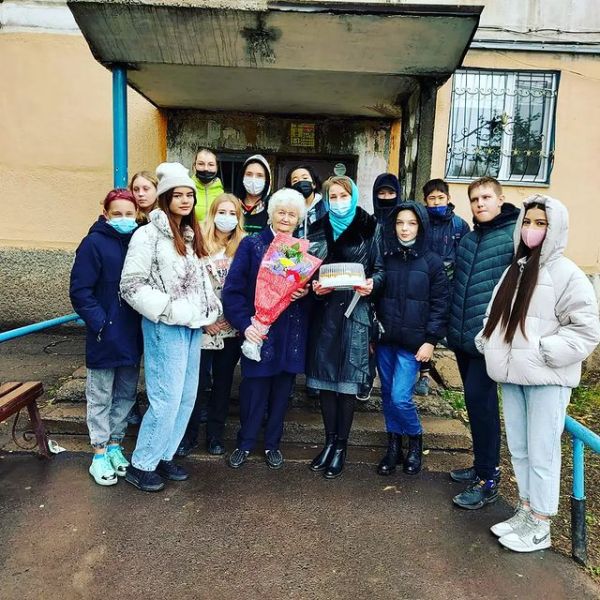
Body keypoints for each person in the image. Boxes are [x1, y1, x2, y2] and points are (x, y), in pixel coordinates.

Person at [477, 195, 600, 552]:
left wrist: (545, 352)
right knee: (520, 448)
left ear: (555, 228)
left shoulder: (568, 274)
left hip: (547, 378)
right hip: (513, 375)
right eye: (527, 222)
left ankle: (542, 523)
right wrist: (487, 340)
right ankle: (526, 509)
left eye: (540, 223)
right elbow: (492, 315)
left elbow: (586, 330)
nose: (531, 229)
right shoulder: (515, 269)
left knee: (543, 451)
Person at [120, 162, 221, 492]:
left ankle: (163, 454)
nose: (185, 200)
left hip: (191, 327)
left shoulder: (190, 237)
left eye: (189, 194)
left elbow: (199, 283)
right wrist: (168, 310)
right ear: (164, 198)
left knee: (186, 397)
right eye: (177, 195)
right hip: (165, 327)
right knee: (165, 398)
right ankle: (142, 463)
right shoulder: (147, 235)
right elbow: (131, 286)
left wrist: (208, 311)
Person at [222, 188, 310, 470]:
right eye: (281, 212)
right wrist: (245, 324)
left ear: (298, 219)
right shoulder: (252, 245)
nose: (286, 218)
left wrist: (305, 293)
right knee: (253, 392)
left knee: (282, 394)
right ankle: (245, 443)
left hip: (289, 333)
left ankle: (273, 444)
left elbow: (306, 293)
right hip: (259, 332)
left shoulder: (300, 249)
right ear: (271, 214)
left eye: (292, 214)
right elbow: (232, 291)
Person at [447, 176, 520, 509]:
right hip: (463, 338)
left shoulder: (513, 238)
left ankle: (489, 479)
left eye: (486, 197)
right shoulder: (469, 239)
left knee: (484, 407)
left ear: (500, 200)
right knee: (475, 406)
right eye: (475, 199)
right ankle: (480, 466)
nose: (480, 204)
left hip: (488, 341)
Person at [306, 176, 385, 479]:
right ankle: (328, 442)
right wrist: (315, 287)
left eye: (344, 195)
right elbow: (308, 269)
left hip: (355, 312)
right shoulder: (317, 227)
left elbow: (381, 270)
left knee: (348, 383)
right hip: (325, 314)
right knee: (326, 381)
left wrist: (372, 284)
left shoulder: (370, 226)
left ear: (353, 197)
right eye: (333, 196)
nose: (338, 201)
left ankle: (341, 446)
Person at [70, 189, 143, 486]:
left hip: (133, 332)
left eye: (129, 214)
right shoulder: (93, 243)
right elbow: (80, 291)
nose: (124, 219)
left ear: (137, 214)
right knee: (100, 395)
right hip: (105, 334)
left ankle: (115, 445)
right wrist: (101, 322)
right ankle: (98, 453)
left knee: (125, 394)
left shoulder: (139, 240)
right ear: (106, 214)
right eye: (117, 214)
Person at [375, 202, 449, 476]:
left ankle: (415, 440)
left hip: (413, 343)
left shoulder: (432, 262)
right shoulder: (387, 257)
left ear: (421, 226)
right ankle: (393, 445)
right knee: (387, 394)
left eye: (411, 223)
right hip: (385, 340)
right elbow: (376, 298)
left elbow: (440, 304)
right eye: (399, 223)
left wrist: (430, 340)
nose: (405, 229)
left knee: (400, 397)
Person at [177, 194, 245, 457]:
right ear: (213, 213)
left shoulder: (244, 245)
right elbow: (188, 285)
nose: (226, 218)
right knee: (196, 383)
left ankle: (215, 436)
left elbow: (248, 286)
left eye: (232, 213)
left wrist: (235, 317)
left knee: (223, 384)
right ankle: (189, 435)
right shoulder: (197, 243)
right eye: (222, 212)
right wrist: (205, 321)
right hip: (203, 326)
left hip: (231, 327)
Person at [414, 178, 470, 396]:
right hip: (422, 284)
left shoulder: (459, 225)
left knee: (440, 328)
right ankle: (423, 374)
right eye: (432, 198)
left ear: (448, 198)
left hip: (449, 287)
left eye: (441, 197)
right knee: (422, 328)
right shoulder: (420, 223)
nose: (436, 202)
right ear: (425, 200)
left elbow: (464, 258)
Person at [285, 164, 326, 238]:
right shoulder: (286, 210)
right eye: (295, 181)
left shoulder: (326, 208)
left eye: (305, 178)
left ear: (314, 184)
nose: (301, 182)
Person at [236, 154, 271, 235]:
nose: (253, 179)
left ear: (267, 180)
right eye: (249, 174)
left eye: (259, 175)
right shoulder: (233, 204)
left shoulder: (273, 207)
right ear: (242, 177)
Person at [192, 148, 225, 223]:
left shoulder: (222, 193)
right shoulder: (187, 189)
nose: (206, 169)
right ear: (194, 165)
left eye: (211, 165)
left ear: (217, 167)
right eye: (201, 164)